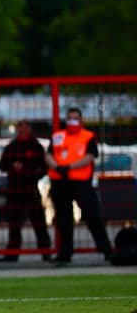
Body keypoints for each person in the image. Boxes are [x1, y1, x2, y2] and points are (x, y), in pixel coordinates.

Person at [45, 107, 113, 264]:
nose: (71, 121)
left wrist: (69, 167)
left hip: (81, 183)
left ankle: (106, 250)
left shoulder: (88, 136)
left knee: (92, 217)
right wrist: (56, 167)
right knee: (63, 219)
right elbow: (48, 155)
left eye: (75, 118)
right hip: (60, 182)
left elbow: (89, 157)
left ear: (81, 120)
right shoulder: (58, 136)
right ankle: (65, 253)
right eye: (69, 118)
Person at [0, 121, 53, 262]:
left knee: (39, 223)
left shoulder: (36, 146)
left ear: (29, 129)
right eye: (20, 127)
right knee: (14, 224)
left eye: (24, 127)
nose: (22, 130)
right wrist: (12, 166)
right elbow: (2, 165)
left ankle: (46, 251)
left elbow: (43, 167)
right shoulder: (12, 147)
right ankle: (13, 253)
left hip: (30, 189)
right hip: (15, 190)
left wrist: (30, 172)